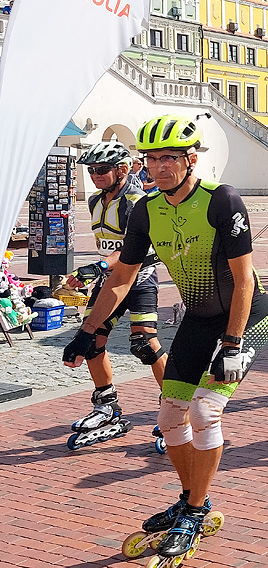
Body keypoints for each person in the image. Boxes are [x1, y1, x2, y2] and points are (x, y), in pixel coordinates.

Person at [63, 114, 268, 561]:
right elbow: (122, 275)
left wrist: (233, 345)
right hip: (198, 319)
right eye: (152, 159)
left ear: (190, 159)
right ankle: (190, 498)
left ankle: (194, 512)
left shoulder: (223, 200)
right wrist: (88, 331)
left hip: (245, 317)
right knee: (171, 416)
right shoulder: (146, 209)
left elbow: (244, 282)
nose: (159, 167)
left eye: (169, 158)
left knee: (204, 410)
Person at [62, 141, 166, 450]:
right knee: (92, 342)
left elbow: (139, 251)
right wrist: (93, 272)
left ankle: (174, 404)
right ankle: (107, 406)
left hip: (140, 279)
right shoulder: (94, 200)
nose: (95, 175)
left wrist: (99, 265)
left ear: (122, 170)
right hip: (109, 282)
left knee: (145, 344)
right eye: (91, 170)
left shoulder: (138, 202)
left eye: (101, 170)